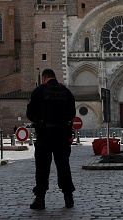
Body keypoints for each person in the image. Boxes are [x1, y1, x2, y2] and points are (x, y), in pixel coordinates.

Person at [26, 68, 76, 210]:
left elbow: (30, 113)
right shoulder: (66, 92)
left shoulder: (39, 92)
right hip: (62, 133)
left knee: (42, 167)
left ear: (43, 78)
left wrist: (39, 119)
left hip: (45, 134)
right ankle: (68, 197)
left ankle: (40, 199)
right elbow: (72, 113)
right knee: (63, 166)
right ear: (55, 77)